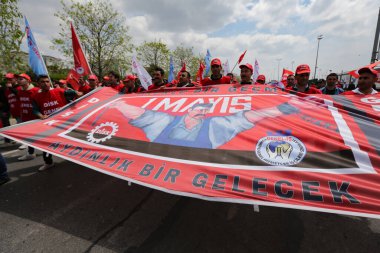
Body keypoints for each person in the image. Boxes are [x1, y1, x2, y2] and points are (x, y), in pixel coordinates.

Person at [109, 98, 309, 149]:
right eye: (200, 109)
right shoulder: (165, 121)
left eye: (206, 110)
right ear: (189, 110)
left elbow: (242, 119)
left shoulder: (214, 126)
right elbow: (143, 114)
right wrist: (117, 104)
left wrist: (280, 110)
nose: (203, 113)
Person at [32, 75, 73, 171]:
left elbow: (74, 95)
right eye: (42, 82)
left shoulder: (59, 91)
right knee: (45, 143)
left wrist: (76, 93)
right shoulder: (35, 97)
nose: (45, 83)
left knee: (72, 141)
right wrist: (41, 116)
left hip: (64, 123)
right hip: (49, 124)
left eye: (47, 81)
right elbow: (35, 110)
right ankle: (48, 162)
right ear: (38, 84)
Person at [16, 73, 39, 161]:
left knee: (45, 136)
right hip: (25, 118)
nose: (18, 80)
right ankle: (31, 153)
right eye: (18, 79)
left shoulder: (36, 90)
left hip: (36, 118)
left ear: (28, 80)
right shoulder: (20, 91)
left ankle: (51, 153)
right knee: (29, 137)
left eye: (21, 79)